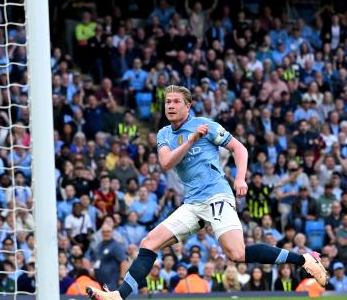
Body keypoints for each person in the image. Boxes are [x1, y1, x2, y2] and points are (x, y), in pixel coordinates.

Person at [86, 85, 327, 300]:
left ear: (188, 106)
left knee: (236, 253)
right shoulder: (164, 134)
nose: (170, 106)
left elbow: (239, 148)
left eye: (175, 102)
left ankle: (305, 260)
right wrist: (190, 141)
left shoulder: (207, 125)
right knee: (149, 242)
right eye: (167, 102)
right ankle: (119, 295)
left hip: (216, 195)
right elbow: (167, 163)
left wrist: (240, 177)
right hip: (192, 203)